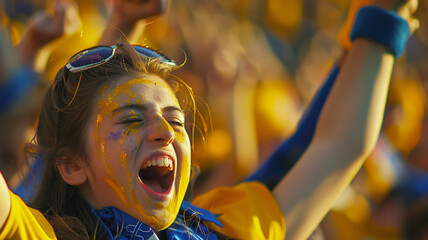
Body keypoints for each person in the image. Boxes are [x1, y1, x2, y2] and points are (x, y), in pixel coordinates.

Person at [0, 1, 420, 240]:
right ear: (73, 164)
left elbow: (337, 147)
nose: (164, 132)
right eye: (131, 120)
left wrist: (383, 21)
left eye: (176, 121)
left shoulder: (224, 232)